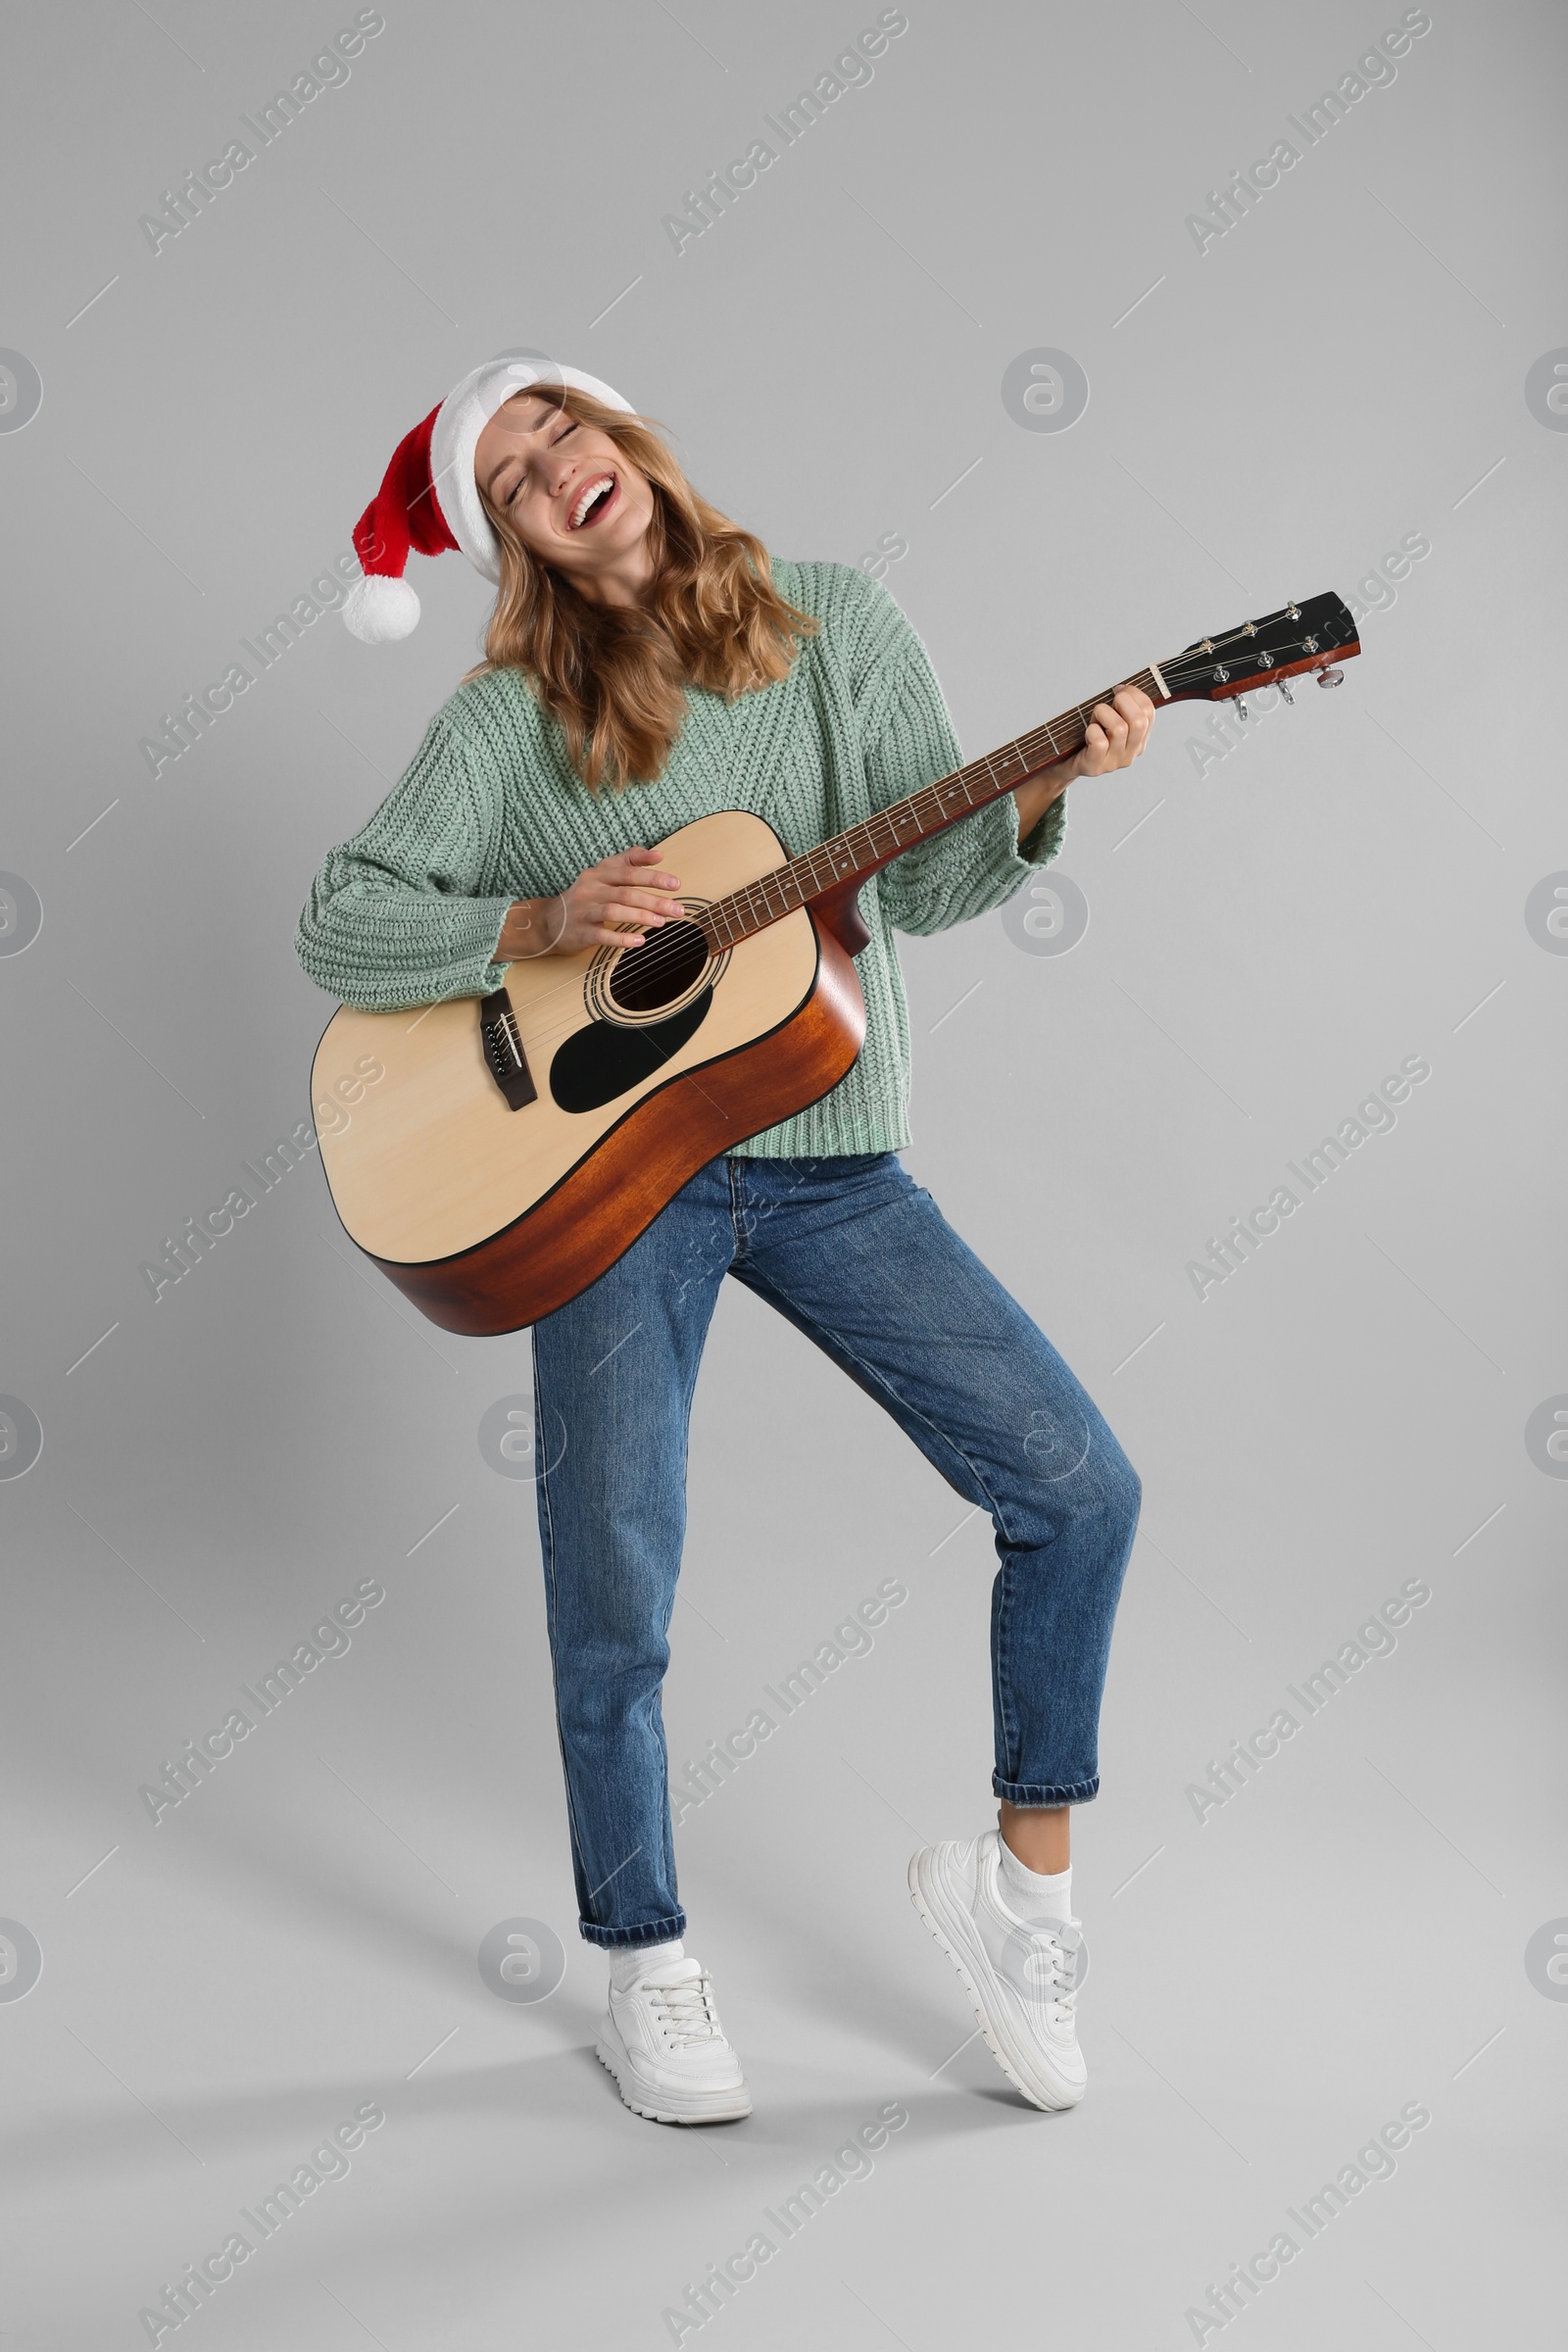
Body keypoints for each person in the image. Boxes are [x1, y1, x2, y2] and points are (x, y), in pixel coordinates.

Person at [296, 352, 1152, 2127]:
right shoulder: (499, 725)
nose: (561, 467)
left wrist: (1047, 788)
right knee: (614, 1577)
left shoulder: (832, 622)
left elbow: (914, 887)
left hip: (830, 1156)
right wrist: (536, 917)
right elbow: (341, 922)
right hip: (612, 1189)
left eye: (571, 427)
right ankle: (645, 1961)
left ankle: (1022, 1898)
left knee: (1076, 1484)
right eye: (518, 470)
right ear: (509, 542)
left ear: (632, 444)